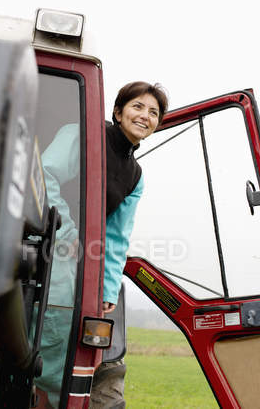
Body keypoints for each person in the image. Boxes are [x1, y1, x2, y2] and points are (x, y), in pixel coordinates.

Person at [36, 81, 168, 408]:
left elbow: (117, 235)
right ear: (118, 111)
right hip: (48, 249)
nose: (145, 116)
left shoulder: (135, 175)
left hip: (83, 265)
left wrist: (108, 289)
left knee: (78, 351)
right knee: (48, 338)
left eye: (154, 112)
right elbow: (44, 176)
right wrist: (66, 232)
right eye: (138, 106)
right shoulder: (82, 134)